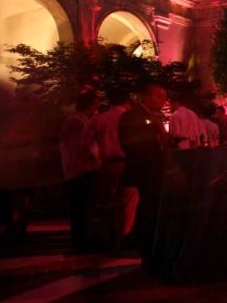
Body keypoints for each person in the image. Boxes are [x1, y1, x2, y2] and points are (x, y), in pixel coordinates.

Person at [119, 83, 169, 266]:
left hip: (155, 174)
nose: (164, 100)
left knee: (151, 210)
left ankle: (150, 247)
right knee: (140, 210)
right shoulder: (131, 117)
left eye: (164, 96)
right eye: (160, 96)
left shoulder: (155, 117)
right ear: (147, 97)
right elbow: (130, 144)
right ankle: (135, 243)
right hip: (141, 173)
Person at [88, 88, 132, 247]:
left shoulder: (99, 120)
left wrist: (95, 159)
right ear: (127, 101)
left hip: (108, 165)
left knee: (107, 203)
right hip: (128, 163)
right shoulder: (131, 118)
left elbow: (87, 145)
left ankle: (108, 238)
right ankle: (125, 237)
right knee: (128, 203)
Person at [60, 88, 101, 252]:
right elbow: (83, 146)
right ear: (90, 105)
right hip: (81, 171)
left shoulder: (74, 120)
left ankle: (81, 240)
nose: (96, 108)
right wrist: (94, 160)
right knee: (83, 209)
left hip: (74, 171)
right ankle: (83, 242)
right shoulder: (79, 121)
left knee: (79, 209)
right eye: (95, 104)